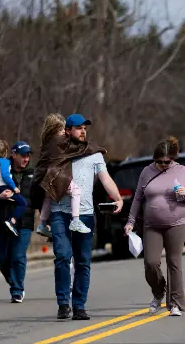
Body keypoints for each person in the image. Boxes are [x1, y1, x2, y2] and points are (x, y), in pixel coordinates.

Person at [37, 113, 124, 321]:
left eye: (85, 128)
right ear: (68, 131)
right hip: (60, 212)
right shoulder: (58, 152)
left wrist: (118, 198)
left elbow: (105, 178)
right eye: (78, 128)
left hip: (85, 214)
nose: (83, 131)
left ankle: (79, 305)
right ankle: (63, 303)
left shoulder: (94, 155)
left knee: (83, 261)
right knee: (63, 256)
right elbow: (43, 176)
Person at [125, 136, 185, 317]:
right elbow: (137, 199)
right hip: (151, 225)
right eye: (160, 161)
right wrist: (130, 222)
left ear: (173, 158)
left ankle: (175, 303)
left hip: (177, 223)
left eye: (168, 161)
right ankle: (159, 292)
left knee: (174, 262)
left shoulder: (182, 171)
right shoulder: (146, 172)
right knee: (151, 263)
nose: (164, 164)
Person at [0, 141, 35, 303]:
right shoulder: (0, 170)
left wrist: (47, 220)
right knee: (2, 259)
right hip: (3, 221)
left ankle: (17, 290)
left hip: (24, 221)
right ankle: (13, 281)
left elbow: (40, 198)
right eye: (23, 155)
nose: (26, 159)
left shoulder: (32, 175)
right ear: (13, 154)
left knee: (18, 256)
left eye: (28, 156)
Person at [34, 113, 90, 237]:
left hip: (47, 177)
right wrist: (97, 149)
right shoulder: (60, 141)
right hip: (57, 175)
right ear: (54, 130)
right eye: (61, 129)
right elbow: (79, 148)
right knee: (76, 191)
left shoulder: (46, 143)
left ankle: (42, 223)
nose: (64, 132)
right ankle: (76, 220)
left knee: (48, 198)